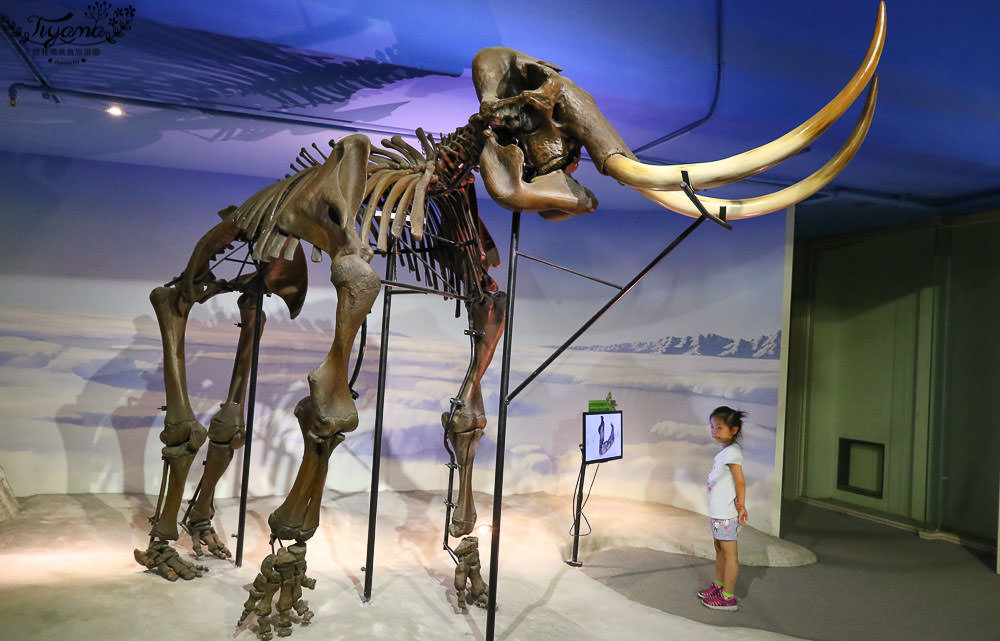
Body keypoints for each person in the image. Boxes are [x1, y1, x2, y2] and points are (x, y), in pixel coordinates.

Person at [698, 406, 749, 611]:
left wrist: (741, 506)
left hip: (726, 515)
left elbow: (741, 482)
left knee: (730, 554)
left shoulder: (733, 453)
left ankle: (728, 597)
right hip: (718, 512)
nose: (714, 432)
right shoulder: (726, 451)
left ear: (734, 430)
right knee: (719, 550)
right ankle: (719, 586)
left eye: (719, 427)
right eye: (712, 427)